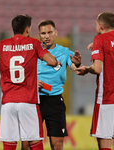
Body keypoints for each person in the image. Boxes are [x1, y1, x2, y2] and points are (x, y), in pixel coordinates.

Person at [0, 14, 60, 150]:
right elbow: (52, 61)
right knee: (35, 141)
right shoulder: (34, 44)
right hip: (28, 101)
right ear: (27, 29)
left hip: (8, 102)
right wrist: (53, 61)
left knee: (9, 143)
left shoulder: (1, 45)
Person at [75, 12, 114, 150]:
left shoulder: (100, 40)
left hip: (107, 97)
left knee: (104, 142)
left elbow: (98, 69)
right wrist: (97, 43)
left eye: (95, 23)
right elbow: (113, 43)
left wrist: (87, 69)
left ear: (101, 26)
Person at [35, 20, 81, 150]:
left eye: (49, 32)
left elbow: (74, 67)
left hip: (54, 101)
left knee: (58, 144)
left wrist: (77, 65)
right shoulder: (33, 51)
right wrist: (31, 83)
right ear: (39, 35)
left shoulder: (65, 52)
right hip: (34, 100)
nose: (47, 36)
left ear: (56, 33)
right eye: (43, 33)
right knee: (28, 144)